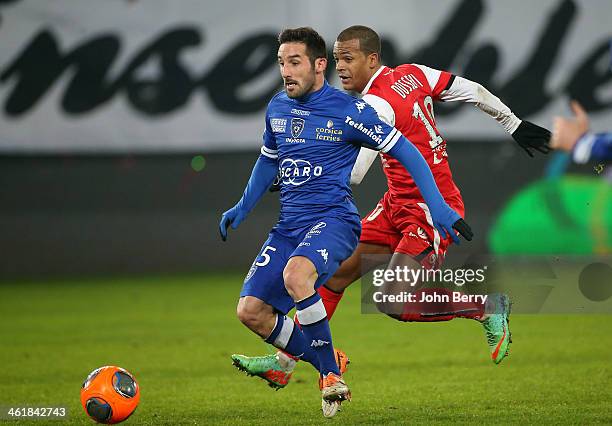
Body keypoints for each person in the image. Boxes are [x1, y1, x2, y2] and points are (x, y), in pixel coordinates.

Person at [233, 25, 552, 388]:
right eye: (337, 59)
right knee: (338, 273)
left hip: (430, 209)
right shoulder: (412, 74)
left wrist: (301, 166)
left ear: (372, 59)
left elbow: (352, 173)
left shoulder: (374, 106)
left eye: (349, 59)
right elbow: (472, 90)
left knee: (394, 301)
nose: (341, 68)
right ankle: (284, 363)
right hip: (394, 205)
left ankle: (487, 308)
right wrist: (513, 124)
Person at [221, 27, 471, 418]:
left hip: (335, 220)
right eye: (281, 62)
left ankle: (331, 376)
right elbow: (268, 159)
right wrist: (242, 205)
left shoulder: (350, 111)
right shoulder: (278, 108)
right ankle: (325, 360)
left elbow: (405, 149)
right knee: (250, 311)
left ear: (319, 65)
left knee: (298, 276)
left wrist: (437, 206)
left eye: (295, 62)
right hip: (290, 227)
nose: (286, 71)